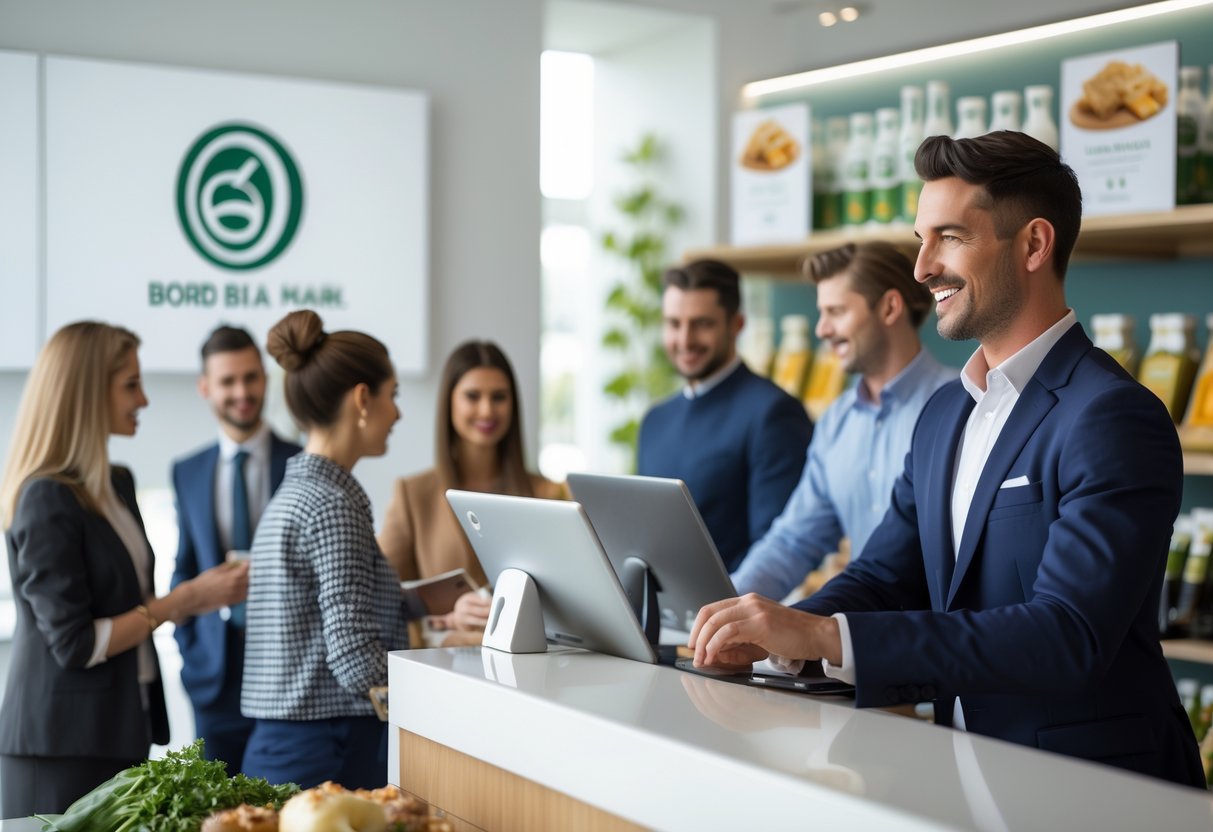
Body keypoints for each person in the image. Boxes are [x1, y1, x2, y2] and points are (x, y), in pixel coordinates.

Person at [690, 131, 1205, 787]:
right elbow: (884, 576)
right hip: (964, 771)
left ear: (1032, 245)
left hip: (1092, 788)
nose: (921, 267)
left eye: (949, 238)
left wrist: (825, 640)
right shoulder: (945, 413)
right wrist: (776, 633)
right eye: (919, 239)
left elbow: (1066, 635)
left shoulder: (1109, 415)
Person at [0, 321, 249, 816]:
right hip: (58, 745)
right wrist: (186, 601)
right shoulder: (46, 496)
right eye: (131, 385)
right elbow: (74, 644)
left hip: (120, 727)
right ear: (89, 393)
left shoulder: (117, 483)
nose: (145, 400)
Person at [240, 309, 424, 790]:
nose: (398, 413)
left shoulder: (298, 492)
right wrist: (437, 679)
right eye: (394, 395)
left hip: (289, 743)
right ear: (363, 399)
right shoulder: (332, 504)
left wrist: (421, 605)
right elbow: (353, 657)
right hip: (324, 752)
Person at [731, 242, 957, 600]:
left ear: (889, 307)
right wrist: (723, 606)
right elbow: (793, 541)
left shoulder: (963, 403)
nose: (821, 329)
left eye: (835, 312)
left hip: (941, 638)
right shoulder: (835, 422)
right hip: (859, 638)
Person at [170, 325, 302, 772]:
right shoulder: (187, 472)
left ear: (266, 379)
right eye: (228, 381)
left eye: (251, 377)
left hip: (286, 666)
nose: (242, 392)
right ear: (205, 388)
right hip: (214, 672)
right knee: (215, 810)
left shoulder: (302, 462)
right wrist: (190, 647)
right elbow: (184, 567)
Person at [378, 340, 565, 639]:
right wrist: (447, 619)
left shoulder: (550, 494)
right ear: (450, 402)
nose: (487, 409)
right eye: (472, 396)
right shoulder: (412, 495)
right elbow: (382, 600)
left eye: (499, 397)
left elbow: (572, 602)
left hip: (531, 671)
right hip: (445, 670)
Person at [638, 259, 812, 571]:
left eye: (702, 324)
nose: (685, 340)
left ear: (737, 324)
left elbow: (777, 550)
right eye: (674, 323)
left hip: (730, 613)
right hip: (654, 613)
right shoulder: (655, 420)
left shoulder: (773, 413)